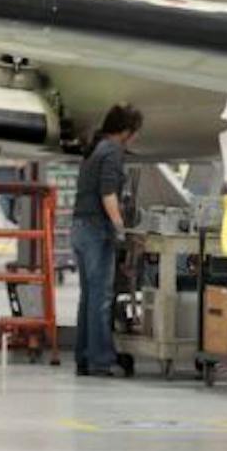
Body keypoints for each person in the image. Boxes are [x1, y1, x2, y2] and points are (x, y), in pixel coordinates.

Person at [72, 104, 141, 377]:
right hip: (96, 229)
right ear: (125, 132)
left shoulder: (95, 148)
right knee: (101, 298)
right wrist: (120, 227)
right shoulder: (112, 151)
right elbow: (108, 193)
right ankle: (100, 360)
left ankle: (84, 356)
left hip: (79, 228)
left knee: (88, 297)